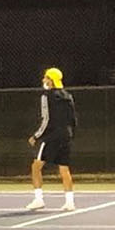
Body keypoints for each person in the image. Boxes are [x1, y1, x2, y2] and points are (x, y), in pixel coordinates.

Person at [26, 67, 77, 211]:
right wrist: (71, 134)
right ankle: (70, 202)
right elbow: (73, 119)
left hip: (52, 137)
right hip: (66, 135)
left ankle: (38, 199)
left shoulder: (46, 97)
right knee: (64, 168)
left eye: (46, 78)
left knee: (36, 167)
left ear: (51, 80)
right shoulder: (68, 96)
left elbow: (46, 119)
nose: (43, 80)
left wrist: (36, 136)